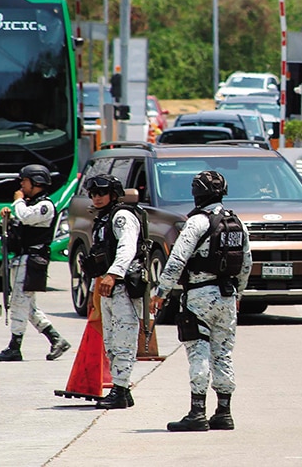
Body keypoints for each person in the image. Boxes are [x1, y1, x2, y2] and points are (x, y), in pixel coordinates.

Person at [150, 170, 251, 432]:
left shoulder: (197, 223)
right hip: (227, 297)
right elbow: (246, 264)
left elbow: (176, 261)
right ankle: (224, 413)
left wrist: (160, 293)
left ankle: (197, 413)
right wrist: (238, 294)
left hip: (198, 295)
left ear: (197, 193)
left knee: (198, 351)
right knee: (224, 353)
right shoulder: (236, 223)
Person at [0, 164, 72, 362]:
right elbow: (19, 226)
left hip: (32, 261)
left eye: (24, 181)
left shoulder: (45, 206)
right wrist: (7, 217)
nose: (21, 185)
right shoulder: (29, 205)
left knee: (19, 302)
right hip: (22, 260)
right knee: (28, 306)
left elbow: (26, 217)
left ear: (36, 182)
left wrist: (17, 203)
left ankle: (14, 346)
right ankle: (56, 339)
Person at [83, 175, 148, 409]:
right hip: (107, 288)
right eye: (93, 194)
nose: (97, 197)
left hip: (123, 287)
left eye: (101, 192)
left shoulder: (122, 217)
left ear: (113, 193)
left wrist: (113, 274)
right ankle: (123, 390)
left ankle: (119, 391)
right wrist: (94, 290)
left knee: (123, 340)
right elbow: (99, 257)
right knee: (110, 341)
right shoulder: (102, 220)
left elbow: (127, 248)